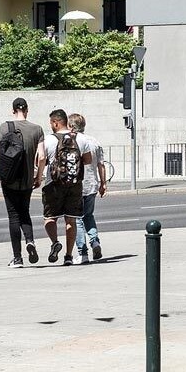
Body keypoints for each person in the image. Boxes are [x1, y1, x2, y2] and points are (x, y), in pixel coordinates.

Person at [0, 97, 45, 267]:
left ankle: (17, 258)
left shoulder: (5, 127)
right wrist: (38, 176)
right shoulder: (37, 129)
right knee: (24, 212)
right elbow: (42, 156)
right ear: (27, 110)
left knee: (13, 216)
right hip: (27, 179)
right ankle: (30, 241)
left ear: (13, 110)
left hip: (9, 178)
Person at [35, 108, 89, 267]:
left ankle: (55, 242)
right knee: (70, 219)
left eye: (51, 123)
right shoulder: (80, 139)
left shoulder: (49, 140)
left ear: (56, 122)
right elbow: (87, 160)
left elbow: (42, 159)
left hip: (54, 184)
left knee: (49, 218)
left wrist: (38, 178)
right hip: (74, 184)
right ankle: (68, 255)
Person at [69, 112, 106, 263]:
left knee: (77, 219)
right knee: (88, 216)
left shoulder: (73, 141)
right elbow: (101, 164)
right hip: (92, 184)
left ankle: (82, 253)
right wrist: (103, 184)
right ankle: (95, 241)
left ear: (71, 126)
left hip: (77, 185)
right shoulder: (94, 141)